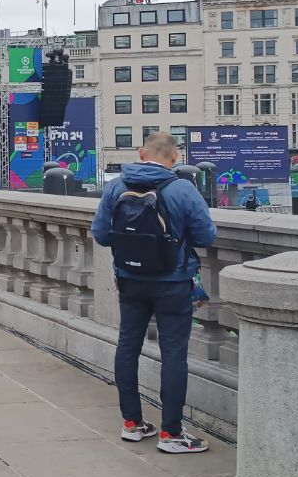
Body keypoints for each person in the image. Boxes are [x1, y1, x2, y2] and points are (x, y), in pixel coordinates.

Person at [92, 131, 216, 454]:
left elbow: (101, 235)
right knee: (173, 354)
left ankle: (132, 423)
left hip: (130, 281)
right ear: (175, 158)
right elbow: (206, 236)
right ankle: (171, 433)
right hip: (173, 284)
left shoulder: (116, 186)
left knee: (127, 346)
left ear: (140, 153)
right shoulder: (182, 189)